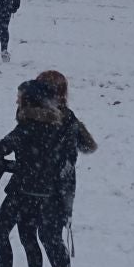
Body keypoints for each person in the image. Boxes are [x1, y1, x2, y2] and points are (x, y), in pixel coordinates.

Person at [0, 79, 75, 267]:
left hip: (21, 190)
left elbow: (4, 147)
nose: (16, 100)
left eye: (19, 96)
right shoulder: (53, 126)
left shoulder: (27, 126)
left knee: (0, 231)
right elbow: (39, 162)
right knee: (28, 237)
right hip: (42, 192)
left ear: (29, 100)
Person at [34, 69, 98, 234]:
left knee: (40, 235)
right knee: (51, 237)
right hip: (63, 185)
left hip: (37, 184)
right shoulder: (69, 118)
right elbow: (88, 145)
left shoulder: (33, 117)